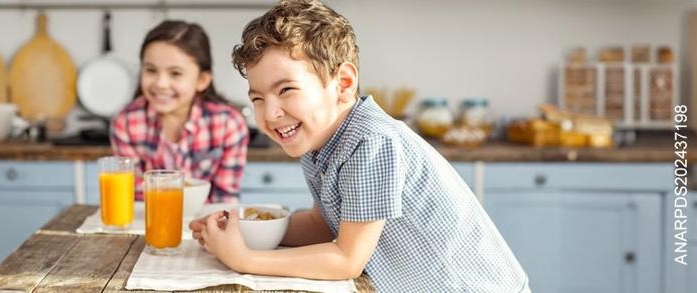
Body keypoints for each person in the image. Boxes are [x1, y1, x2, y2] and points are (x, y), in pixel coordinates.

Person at [189, 1, 531, 291]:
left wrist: (244, 259)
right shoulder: (318, 142)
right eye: (258, 98)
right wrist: (243, 230)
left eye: (286, 90)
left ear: (343, 84)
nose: (271, 113)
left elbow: (346, 259)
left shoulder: (371, 141)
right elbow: (323, 226)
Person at [111, 20, 249, 204]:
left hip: (205, 226)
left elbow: (225, 199)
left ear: (202, 80)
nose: (160, 83)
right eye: (151, 70)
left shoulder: (229, 124)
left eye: (175, 73)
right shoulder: (125, 122)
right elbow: (135, 197)